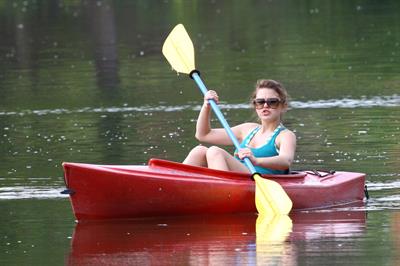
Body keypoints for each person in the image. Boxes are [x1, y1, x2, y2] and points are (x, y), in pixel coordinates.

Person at [183, 79, 296, 174]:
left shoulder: (285, 135)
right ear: (255, 105)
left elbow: (285, 161)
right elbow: (203, 135)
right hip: (238, 180)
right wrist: (206, 106)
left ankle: (223, 193)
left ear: (283, 106)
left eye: (272, 102)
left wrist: (256, 161)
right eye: (260, 102)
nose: (265, 105)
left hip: (260, 182)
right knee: (199, 151)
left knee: (215, 152)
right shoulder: (247, 129)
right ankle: (176, 184)